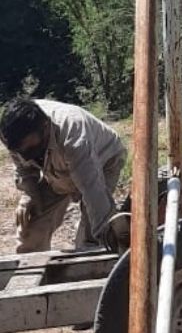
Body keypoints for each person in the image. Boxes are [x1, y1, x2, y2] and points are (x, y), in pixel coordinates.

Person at [0, 98, 130, 254]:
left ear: (45, 128)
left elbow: (92, 191)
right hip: (56, 171)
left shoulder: (73, 136)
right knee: (31, 234)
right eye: (20, 151)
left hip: (104, 160)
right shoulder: (11, 133)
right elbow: (23, 168)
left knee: (90, 239)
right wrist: (30, 193)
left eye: (30, 149)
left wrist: (106, 242)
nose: (25, 157)